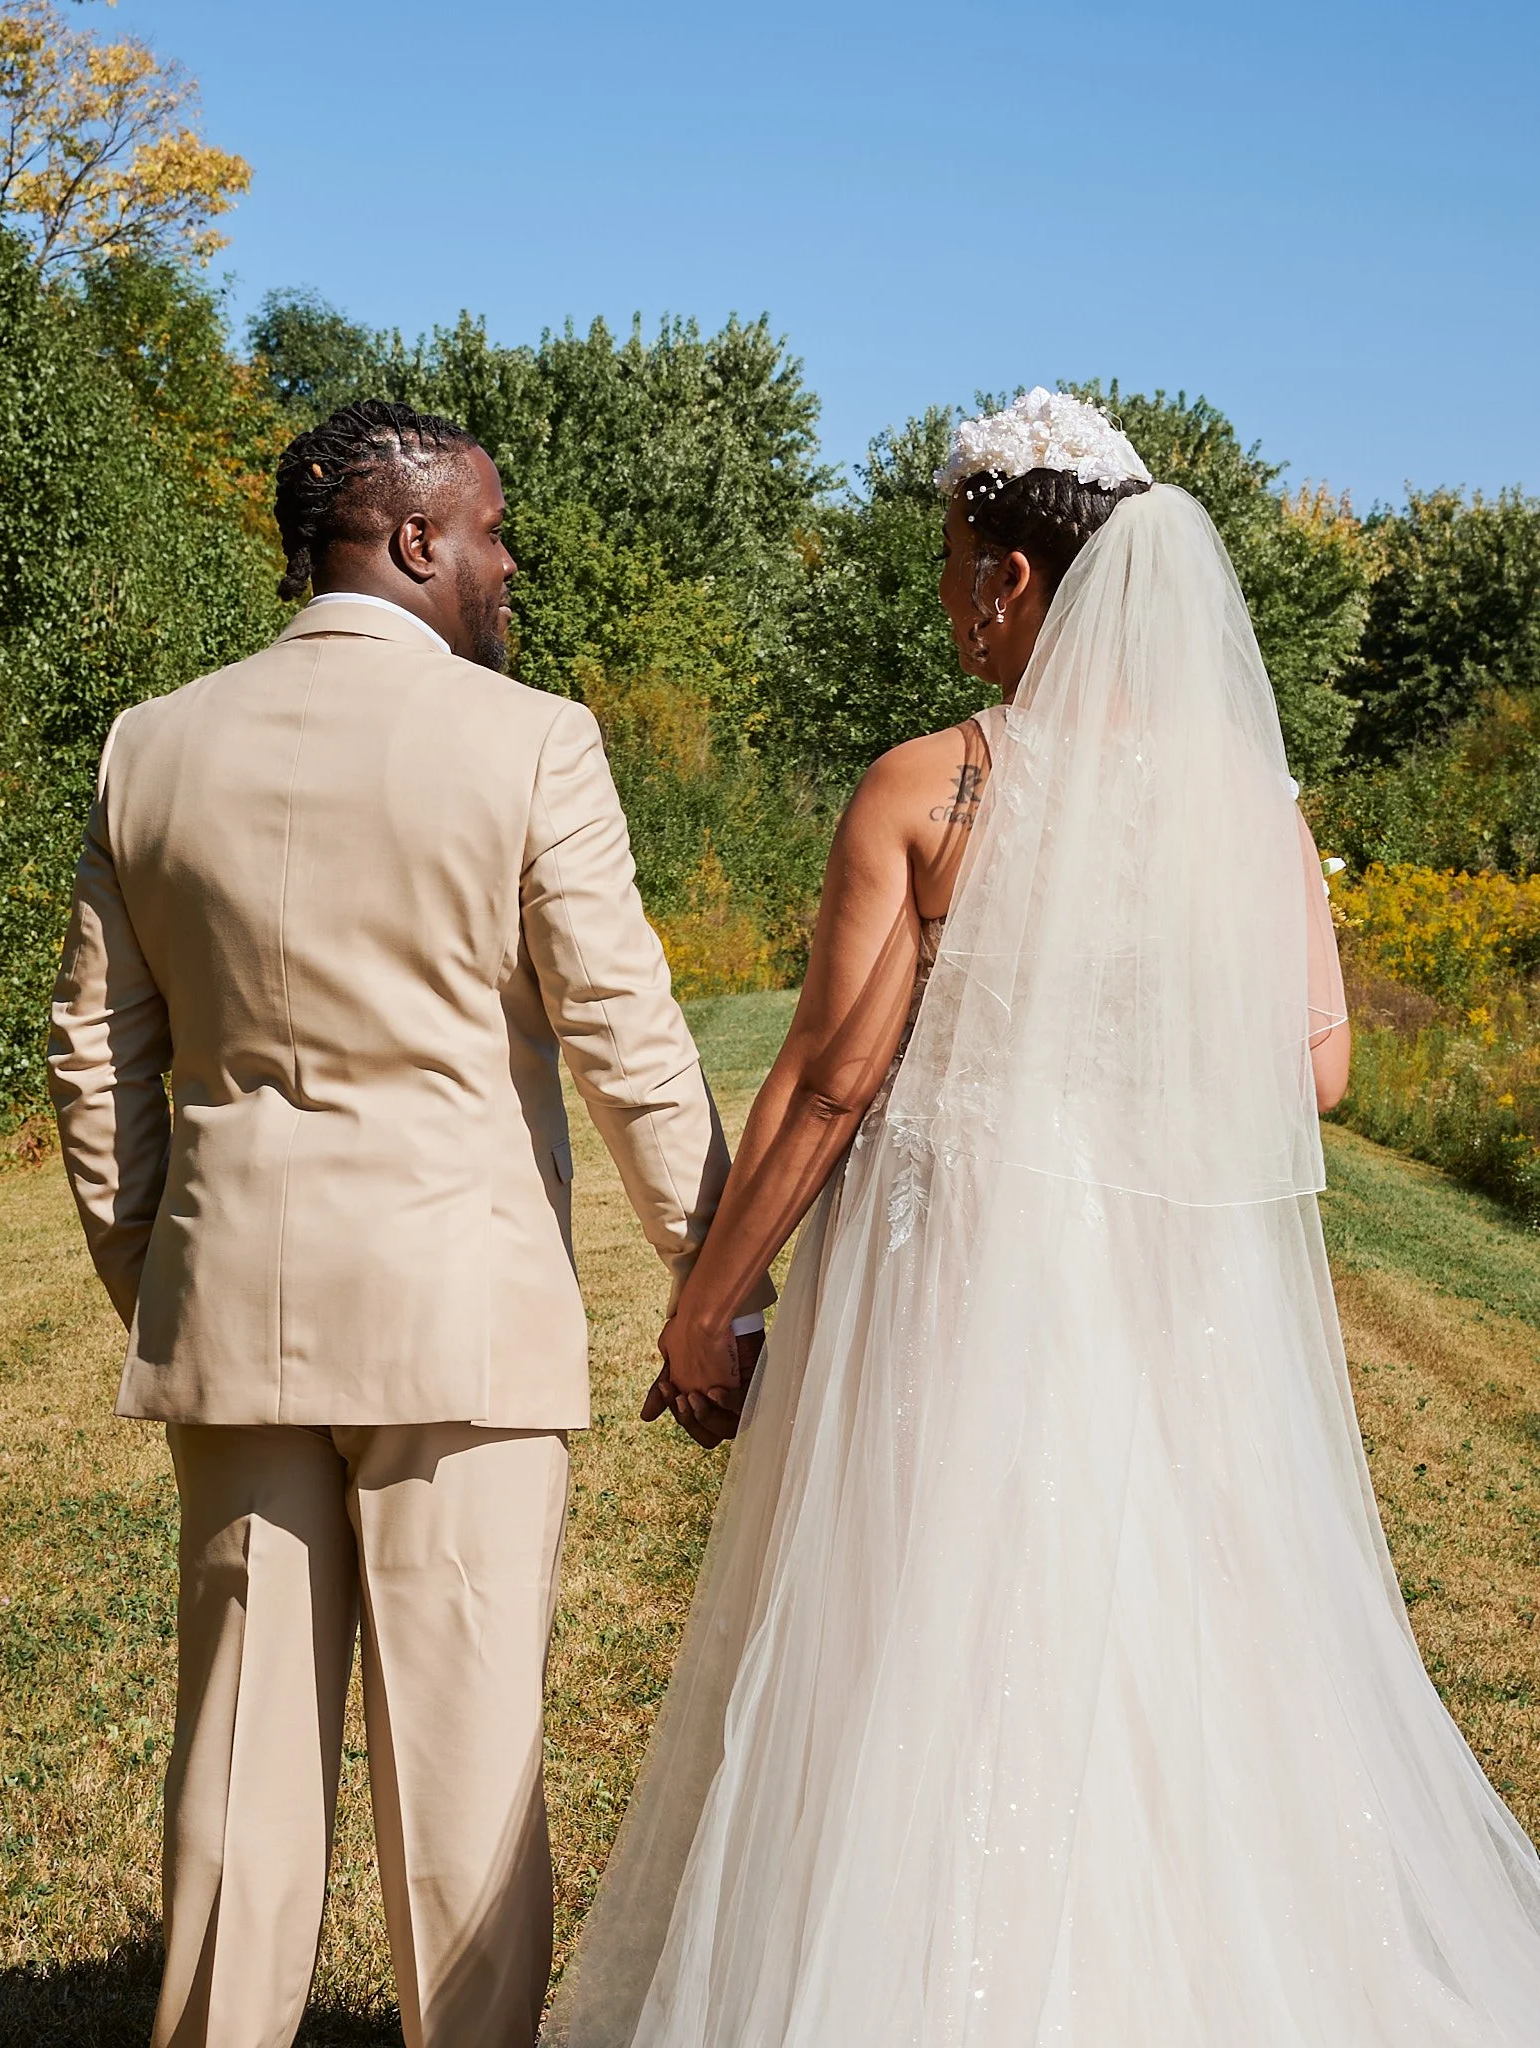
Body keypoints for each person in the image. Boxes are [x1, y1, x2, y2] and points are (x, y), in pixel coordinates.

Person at [547, 391, 1540, 2046]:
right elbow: (1317, 1073)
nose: (946, 601)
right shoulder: (1251, 805)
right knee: (1168, 1617)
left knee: (928, 1624)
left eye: (951, 566)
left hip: (961, 1266)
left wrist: (704, 1302)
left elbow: (824, 1078)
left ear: (1011, 577)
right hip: (1165, 1278)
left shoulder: (937, 787)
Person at [46, 397, 770, 2048]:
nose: (509, 567)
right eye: (496, 532)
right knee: (462, 1784)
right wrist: (711, 1271)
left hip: (234, 1309)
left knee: (235, 1768)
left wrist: (161, 1274)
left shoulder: (150, 742)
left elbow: (99, 1060)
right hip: (462, 1319)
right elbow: (625, 1036)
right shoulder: (528, 739)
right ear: (417, 537)